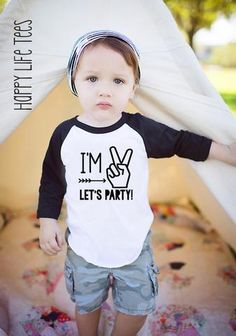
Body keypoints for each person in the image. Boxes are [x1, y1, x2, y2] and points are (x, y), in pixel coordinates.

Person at [37, 30, 236, 336]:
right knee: (87, 304)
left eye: (118, 81)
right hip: (84, 246)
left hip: (133, 246)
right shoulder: (65, 134)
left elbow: (181, 142)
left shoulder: (138, 131)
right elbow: (51, 180)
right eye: (92, 79)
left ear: (133, 87)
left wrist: (224, 152)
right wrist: (47, 220)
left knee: (137, 307)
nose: (105, 90)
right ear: (74, 81)